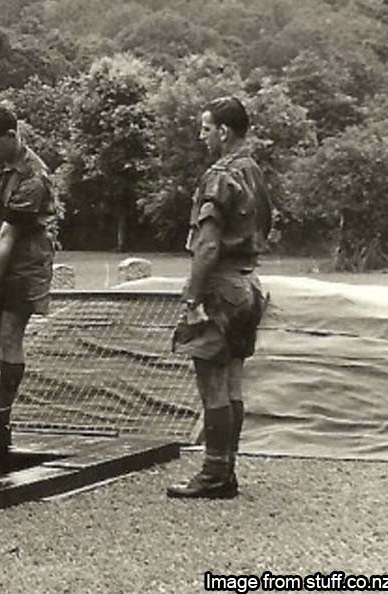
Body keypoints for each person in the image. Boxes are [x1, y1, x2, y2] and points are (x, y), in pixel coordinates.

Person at [167, 97, 270, 500]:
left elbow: (207, 247)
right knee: (233, 384)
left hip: (220, 286)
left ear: (223, 131)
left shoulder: (218, 176)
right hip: (248, 283)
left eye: (205, 128)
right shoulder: (253, 172)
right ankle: (227, 468)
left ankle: (213, 474)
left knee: (212, 383)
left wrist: (192, 295)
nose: (201, 135)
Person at [0, 106, 58, 409]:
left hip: (26, 264)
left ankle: (2, 409)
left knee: (9, 336)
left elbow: (9, 233)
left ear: (12, 136)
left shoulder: (34, 177)